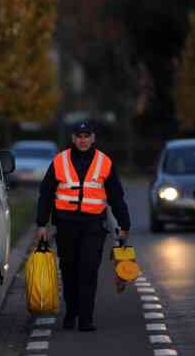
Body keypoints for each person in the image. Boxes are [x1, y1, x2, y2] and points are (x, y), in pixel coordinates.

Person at [35, 121, 130, 332]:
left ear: (93, 138)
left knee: (88, 270)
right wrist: (42, 224)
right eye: (79, 136)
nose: (83, 140)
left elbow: (116, 196)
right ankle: (71, 312)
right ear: (73, 138)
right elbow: (46, 193)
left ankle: (86, 318)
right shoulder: (59, 161)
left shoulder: (104, 162)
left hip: (93, 226)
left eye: (87, 136)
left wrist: (125, 224)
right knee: (69, 270)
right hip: (66, 225)